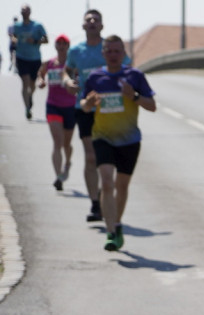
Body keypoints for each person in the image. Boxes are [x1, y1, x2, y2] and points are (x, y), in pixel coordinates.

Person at [80, 35, 155, 252]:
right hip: (102, 136)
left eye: (117, 51)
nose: (113, 55)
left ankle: (118, 224)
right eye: (109, 51)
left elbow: (152, 105)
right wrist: (89, 103)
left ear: (123, 53)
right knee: (106, 181)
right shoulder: (96, 77)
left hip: (130, 140)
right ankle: (111, 232)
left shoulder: (134, 76)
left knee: (121, 186)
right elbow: (84, 106)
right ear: (103, 54)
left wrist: (134, 97)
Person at [64, 9, 130, 223]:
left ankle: (105, 193)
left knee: (109, 159)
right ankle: (95, 203)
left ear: (102, 26)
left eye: (96, 20)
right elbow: (67, 70)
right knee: (91, 156)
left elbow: (128, 68)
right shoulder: (76, 51)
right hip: (84, 108)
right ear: (83, 26)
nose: (92, 22)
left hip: (110, 110)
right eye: (88, 19)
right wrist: (68, 82)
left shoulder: (109, 49)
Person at [38, 34, 75, 191]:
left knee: (66, 144)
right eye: (58, 43)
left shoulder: (72, 64)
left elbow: (78, 79)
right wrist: (41, 81)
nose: (61, 46)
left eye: (64, 43)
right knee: (57, 142)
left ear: (68, 46)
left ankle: (67, 163)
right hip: (53, 106)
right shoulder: (49, 63)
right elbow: (40, 74)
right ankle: (58, 176)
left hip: (70, 106)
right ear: (55, 46)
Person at [10, 4, 47, 119]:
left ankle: (30, 97)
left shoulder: (37, 26)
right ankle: (27, 108)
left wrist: (35, 41)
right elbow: (13, 36)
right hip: (21, 58)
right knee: (25, 82)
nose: (24, 12)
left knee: (32, 84)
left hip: (35, 58)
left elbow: (46, 39)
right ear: (20, 13)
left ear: (30, 12)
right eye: (22, 11)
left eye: (26, 11)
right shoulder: (17, 26)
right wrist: (15, 40)